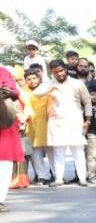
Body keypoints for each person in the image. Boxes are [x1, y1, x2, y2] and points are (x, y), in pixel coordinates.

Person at [42, 59, 92, 187]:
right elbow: (37, 94)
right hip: (56, 122)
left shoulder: (77, 83)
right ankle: (59, 179)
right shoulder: (49, 84)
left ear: (65, 69)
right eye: (55, 72)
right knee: (58, 151)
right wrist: (50, 87)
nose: (59, 74)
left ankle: (83, 178)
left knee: (78, 151)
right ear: (51, 73)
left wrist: (88, 120)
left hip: (75, 121)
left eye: (60, 71)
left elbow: (87, 102)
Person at [23, 69, 52, 185]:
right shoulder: (23, 92)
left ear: (39, 78)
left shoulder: (46, 88)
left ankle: (56, 174)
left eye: (34, 78)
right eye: (29, 79)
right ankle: (42, 176)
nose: (32, 81)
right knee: (35, 152)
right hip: (31, 126)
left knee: (51, 151)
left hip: (48, 123)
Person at [0, 65, 22, 212]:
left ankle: (0, 199)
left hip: (2, 123)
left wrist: (9, 92)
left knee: (4, 161)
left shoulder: (2, 72)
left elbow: (14, 93)